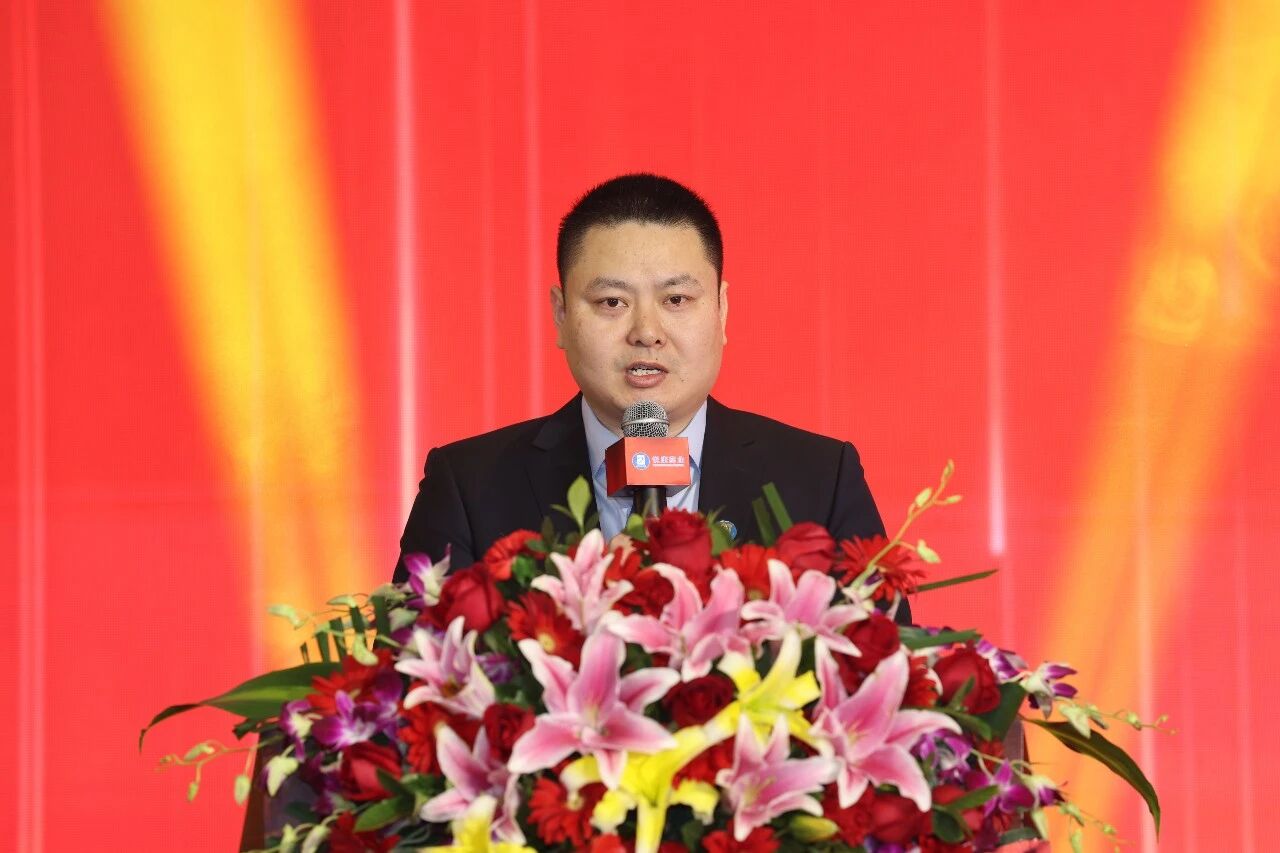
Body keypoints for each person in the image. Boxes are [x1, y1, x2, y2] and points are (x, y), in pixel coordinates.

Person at [393, 174, 906, 622]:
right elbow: (410, 680)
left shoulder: (820, 480)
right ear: (561, 315)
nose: (646, 331)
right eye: (611, 302)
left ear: (722, 310)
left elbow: (886, 672)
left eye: (676, 299)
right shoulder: (468, 487)